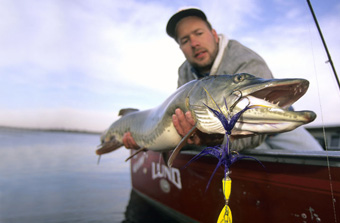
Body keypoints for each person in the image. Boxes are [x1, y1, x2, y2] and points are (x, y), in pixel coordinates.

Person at [123, 8, 322, 151]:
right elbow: (182, 124)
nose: (194, 43)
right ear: (181, 48)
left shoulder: (245, 60)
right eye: (185, 40)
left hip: (274, 128)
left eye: (198, 33)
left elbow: (255, 134)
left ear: (214, 34)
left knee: (315, 158)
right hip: (223, 133)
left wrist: (213, 140)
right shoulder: (184, 72)